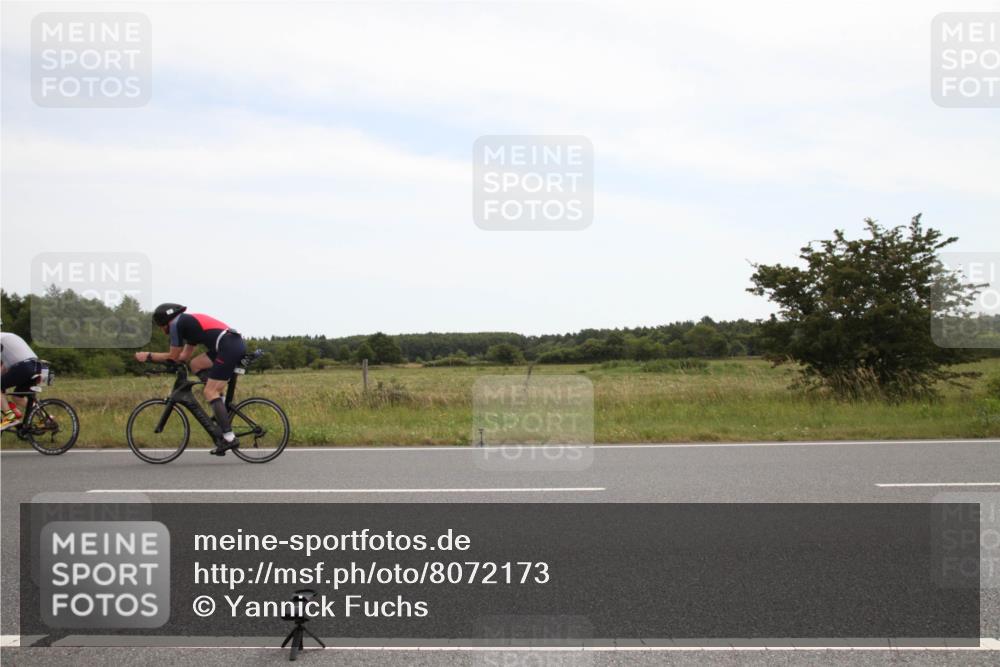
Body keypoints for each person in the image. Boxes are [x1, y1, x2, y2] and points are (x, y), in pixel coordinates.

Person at [135, 303, 247, 456]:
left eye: (161, 327)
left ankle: (229, 438)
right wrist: (167, 364)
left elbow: (173, 356)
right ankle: (220, 401)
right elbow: (183, 358)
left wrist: (148, 356)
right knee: (195, 364)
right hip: (229, 344)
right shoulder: (186, 325)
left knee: (209, 392)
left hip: (228, 346)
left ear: (165, 322)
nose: (162, 331)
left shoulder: (176, 324)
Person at [1, 332, 40, 431]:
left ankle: (10, 418)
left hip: (24, 367)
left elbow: (3, 367)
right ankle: (46, 419)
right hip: (37, 365)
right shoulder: (9, 336)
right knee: (17, 397)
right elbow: (5, 366)